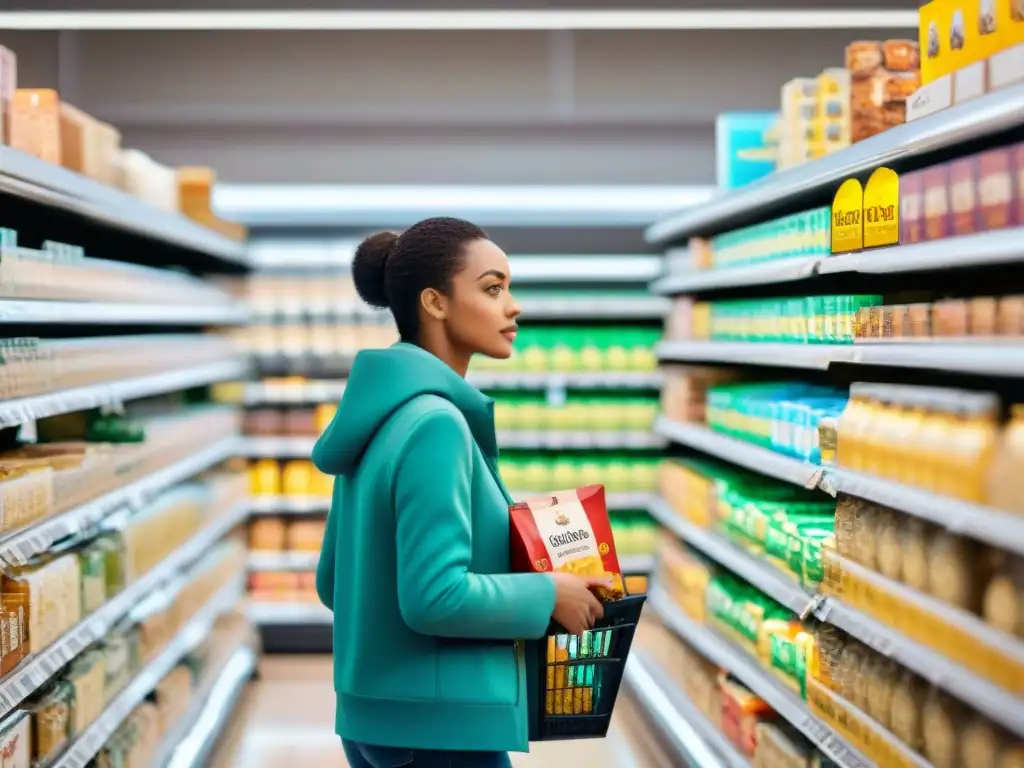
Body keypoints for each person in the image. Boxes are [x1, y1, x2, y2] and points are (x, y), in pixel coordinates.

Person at [312, 217, 609, 768]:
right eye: (493, 288)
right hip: (440, 724)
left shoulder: (375, 416)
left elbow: (334, 583)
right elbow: (434, 597)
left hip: (375, 718)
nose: (512, 305)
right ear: (435, 302)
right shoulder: (436, 426)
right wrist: (550, 594)